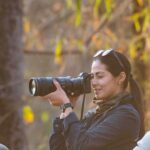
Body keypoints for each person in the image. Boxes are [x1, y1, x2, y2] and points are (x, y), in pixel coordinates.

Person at [42, 49, 145, 150]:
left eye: (100, 76)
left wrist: (66, 105)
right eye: (92, 77)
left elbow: (84, 146)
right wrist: (65, 110)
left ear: (121, 77)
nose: (93, 83)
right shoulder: (94, 115)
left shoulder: (127, 115)